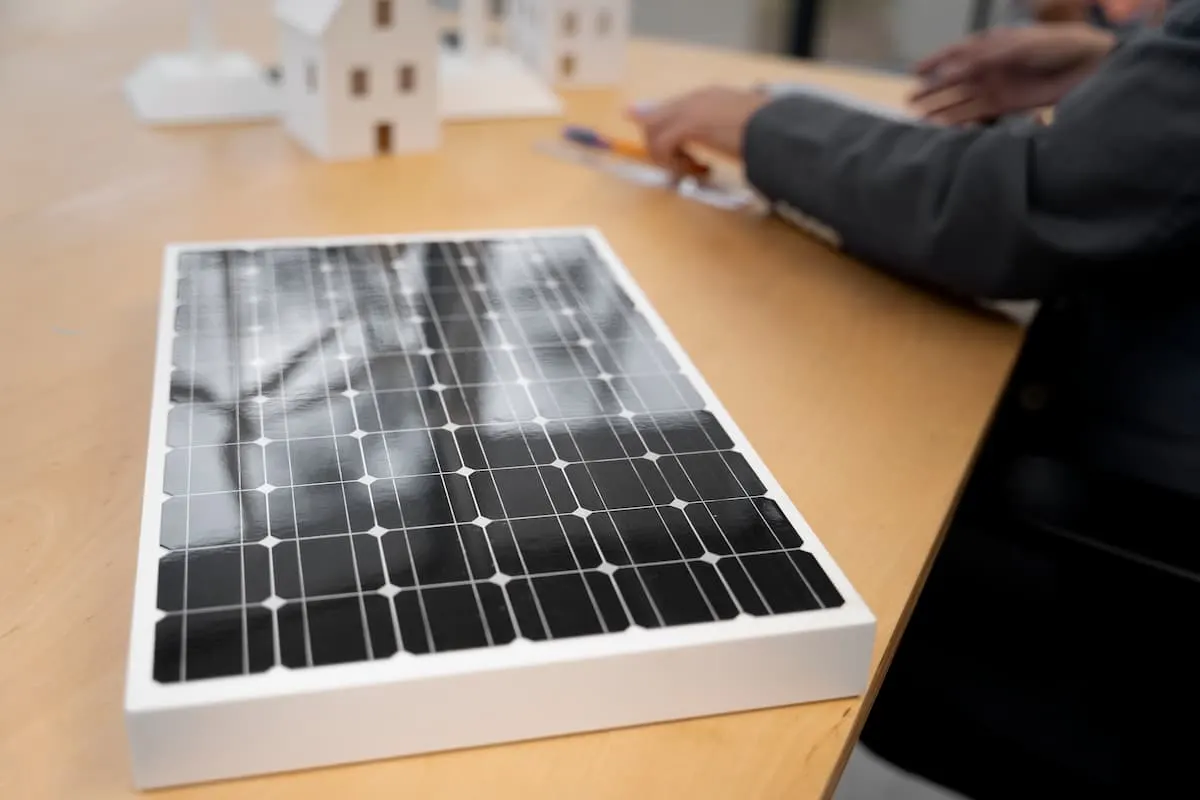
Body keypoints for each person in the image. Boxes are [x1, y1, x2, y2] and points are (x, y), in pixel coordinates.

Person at [632, 2, 1200, 797]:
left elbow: (1003, 208)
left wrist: (762, 124)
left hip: (1129, 564)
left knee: (701, 570)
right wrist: (1117, 61)